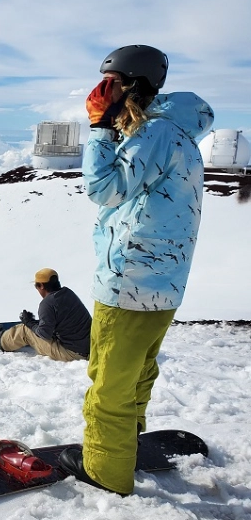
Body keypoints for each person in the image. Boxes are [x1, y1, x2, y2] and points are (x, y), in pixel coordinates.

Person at [59, 45, 214, 496]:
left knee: (109, 382)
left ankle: (105, 470)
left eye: (110, 85)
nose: (102, 93)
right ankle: (123, 441)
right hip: (162, 283)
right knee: (137, 371)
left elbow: (105, 188)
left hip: (129, 281)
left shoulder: (156, 132)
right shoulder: (178, 133)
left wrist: (99, 128)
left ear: (131, 86)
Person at [0, 268, 91, 361]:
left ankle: (2, 341)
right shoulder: (68, 293)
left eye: (36, 286)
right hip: (89, 347)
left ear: (41, 286)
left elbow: (44, 334)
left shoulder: (47, 303)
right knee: (37, 326)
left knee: (25, 330)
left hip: (73, 353)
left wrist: (29, 323)